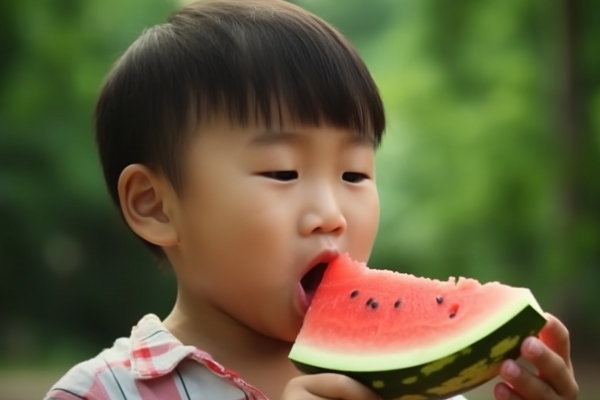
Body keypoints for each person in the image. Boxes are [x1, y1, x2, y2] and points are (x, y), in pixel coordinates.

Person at [44, 1, 579, 399]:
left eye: (354, 173)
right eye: (282, 171)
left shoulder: (423, 387)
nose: (331, 213)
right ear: (156, 205)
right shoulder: (98, 392)